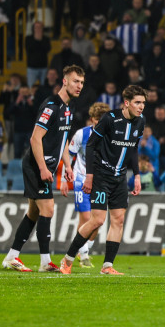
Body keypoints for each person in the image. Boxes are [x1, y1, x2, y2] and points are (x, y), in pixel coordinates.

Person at [1, 65, 85, 273]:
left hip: (45, 166)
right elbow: (35, 138)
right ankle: (45, 262)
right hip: (35, 166)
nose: (79, 86)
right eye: (76, 81)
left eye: (82, 82)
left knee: (33, 213)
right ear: (64, 81)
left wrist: (67, 164)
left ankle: (12, 256)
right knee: (48, 208)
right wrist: (42, 169)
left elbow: (64, 139)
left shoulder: (69, 109)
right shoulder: (51, 106)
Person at [59, 85, 148, 275]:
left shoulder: (140, 122)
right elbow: (91, 145)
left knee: (119, 220)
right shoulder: (110, 119)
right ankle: (68, 259)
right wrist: (89, 176)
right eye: (137, 102)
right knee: (97, 220)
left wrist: (137, 175)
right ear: (127, 103)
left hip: (120, 178)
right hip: (101, 176)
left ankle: (107, 266)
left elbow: (133, 149)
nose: (141, 106)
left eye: (143, 103)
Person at [60, 102, 110, 268]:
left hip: (101, 181)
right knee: (86, 218)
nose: (100, 124)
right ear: (92, 119)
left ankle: (85, 249)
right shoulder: (81, 134)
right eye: (97, 120)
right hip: (81, 179)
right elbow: (69, 156)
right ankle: (83, 254)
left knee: (98, 221)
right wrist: (63, 180)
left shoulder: (111, 136)